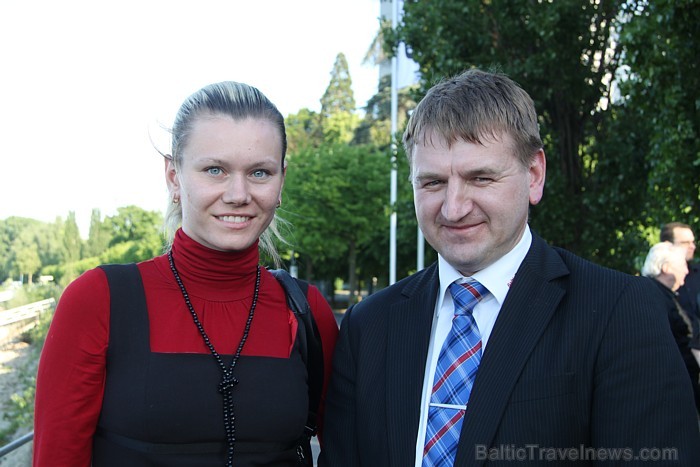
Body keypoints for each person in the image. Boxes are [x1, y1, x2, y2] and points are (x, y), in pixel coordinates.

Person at [318, 69, 700, 466]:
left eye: (480, 178)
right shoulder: (370, 326)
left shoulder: (619, 312)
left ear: (534, 175)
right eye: (432, 183)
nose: (453, 207)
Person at [33, 81, 339, 467]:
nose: (238, 194)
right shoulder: (98, 300)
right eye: (215, 170)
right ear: (174, 176)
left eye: (260, 172)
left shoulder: (308, 312)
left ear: (281, 181)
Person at [641, 241, 700, 414]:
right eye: (682, 265)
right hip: (668, 391)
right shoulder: (651, 297)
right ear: (666, 268)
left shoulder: (663, 295)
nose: (687, 271)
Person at [661, 222, 700, 360]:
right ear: (667, 245)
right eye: (685, 242)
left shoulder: (698, 272)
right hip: (675, 356)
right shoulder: (657, 281)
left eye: (693, 242)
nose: (692, 246)